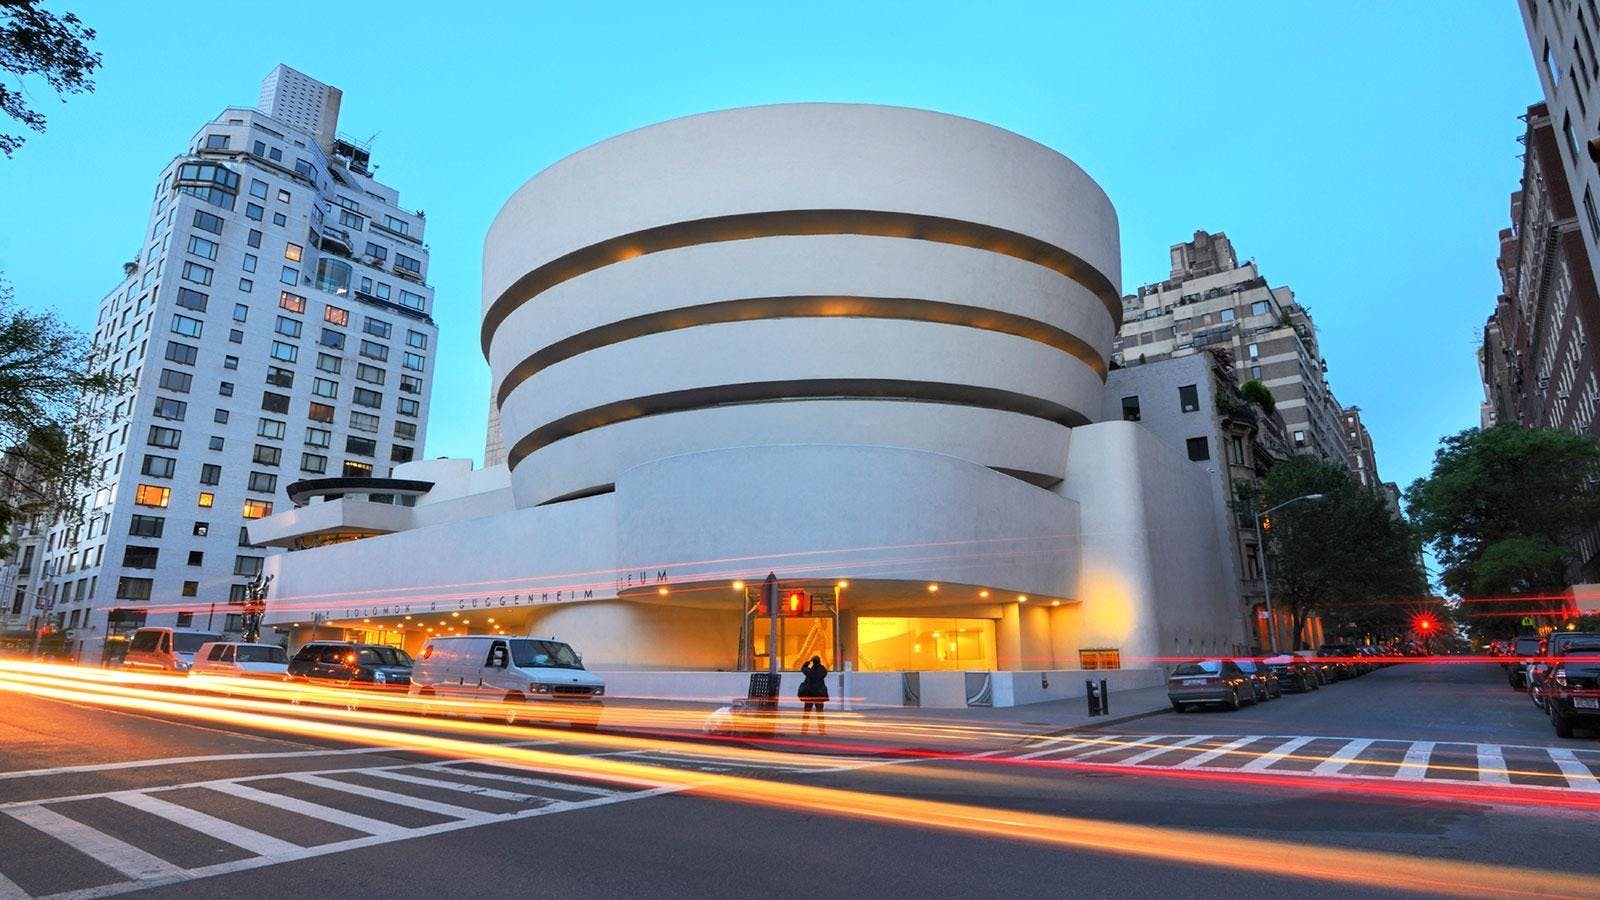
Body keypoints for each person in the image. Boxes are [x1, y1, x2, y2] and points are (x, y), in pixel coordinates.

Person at [798, 655, 829, 735]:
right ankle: (822, 731)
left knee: (807, 713)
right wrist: (819, 664)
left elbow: (803, 668)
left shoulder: (809, 671)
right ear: (819, 662)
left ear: (813, 662)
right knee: (820, 713)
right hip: (819, 695)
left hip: (810, 694)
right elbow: (825, 670)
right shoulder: (822, 671)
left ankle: (804, 730)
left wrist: (808, 662)